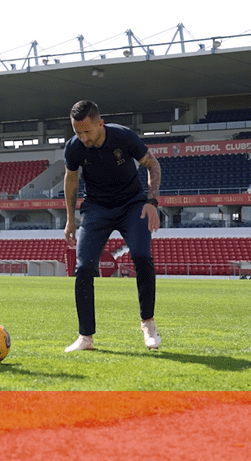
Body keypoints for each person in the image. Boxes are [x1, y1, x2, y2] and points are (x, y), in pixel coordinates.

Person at [62, 99, 162, 352]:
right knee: (83, 266)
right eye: (78, 132)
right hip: (96, 208)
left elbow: (153, 164)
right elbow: (71, 180)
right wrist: (71, 219)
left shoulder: (123, 137)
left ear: (100, 124)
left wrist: (152, 201)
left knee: (141, 255)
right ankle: (85, 337)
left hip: (132, 204)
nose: (83, 137)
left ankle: (148, 323)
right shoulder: (74, 148)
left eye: (87, 131)